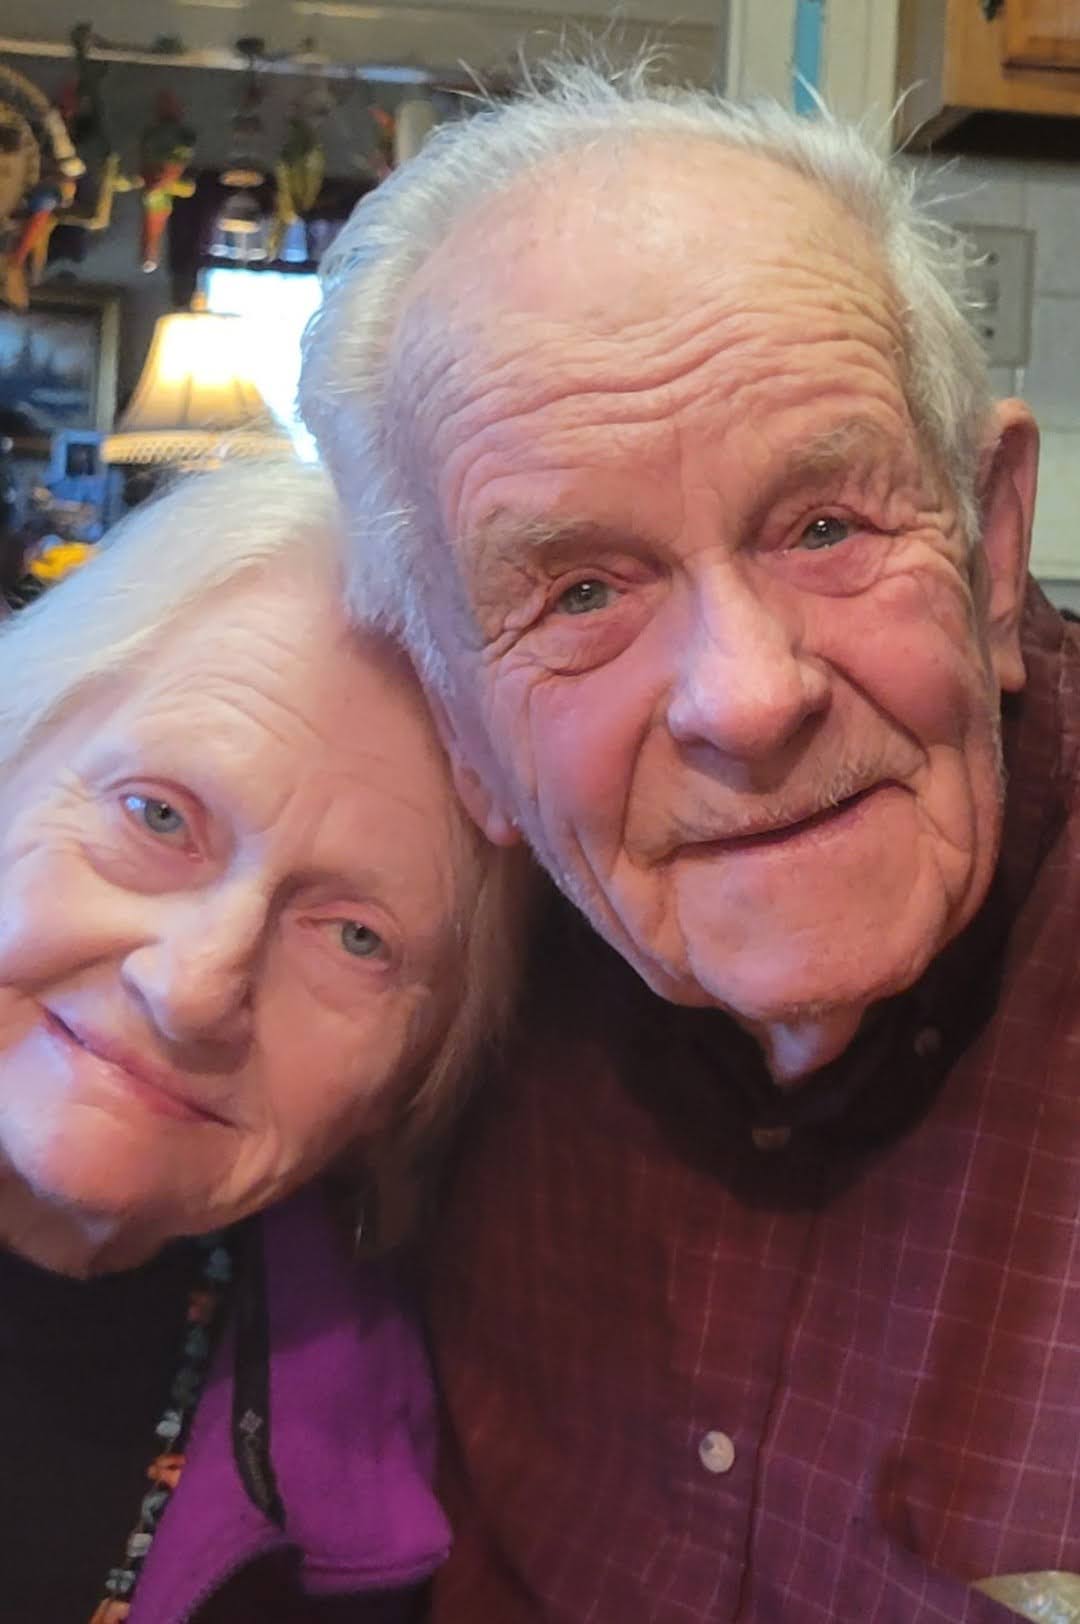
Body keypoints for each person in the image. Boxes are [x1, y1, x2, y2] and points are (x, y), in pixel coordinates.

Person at [300, 56, 1080, 1624]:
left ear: (994, 549)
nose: (745, 698)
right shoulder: (410, 987)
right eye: (580, 591)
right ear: (458, 718)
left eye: (826, 526)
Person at [0, 459, 524, 1624]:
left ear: (417, 1072)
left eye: (354, 936)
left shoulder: (369, 1475)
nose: (195, 988)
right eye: (158, 815)